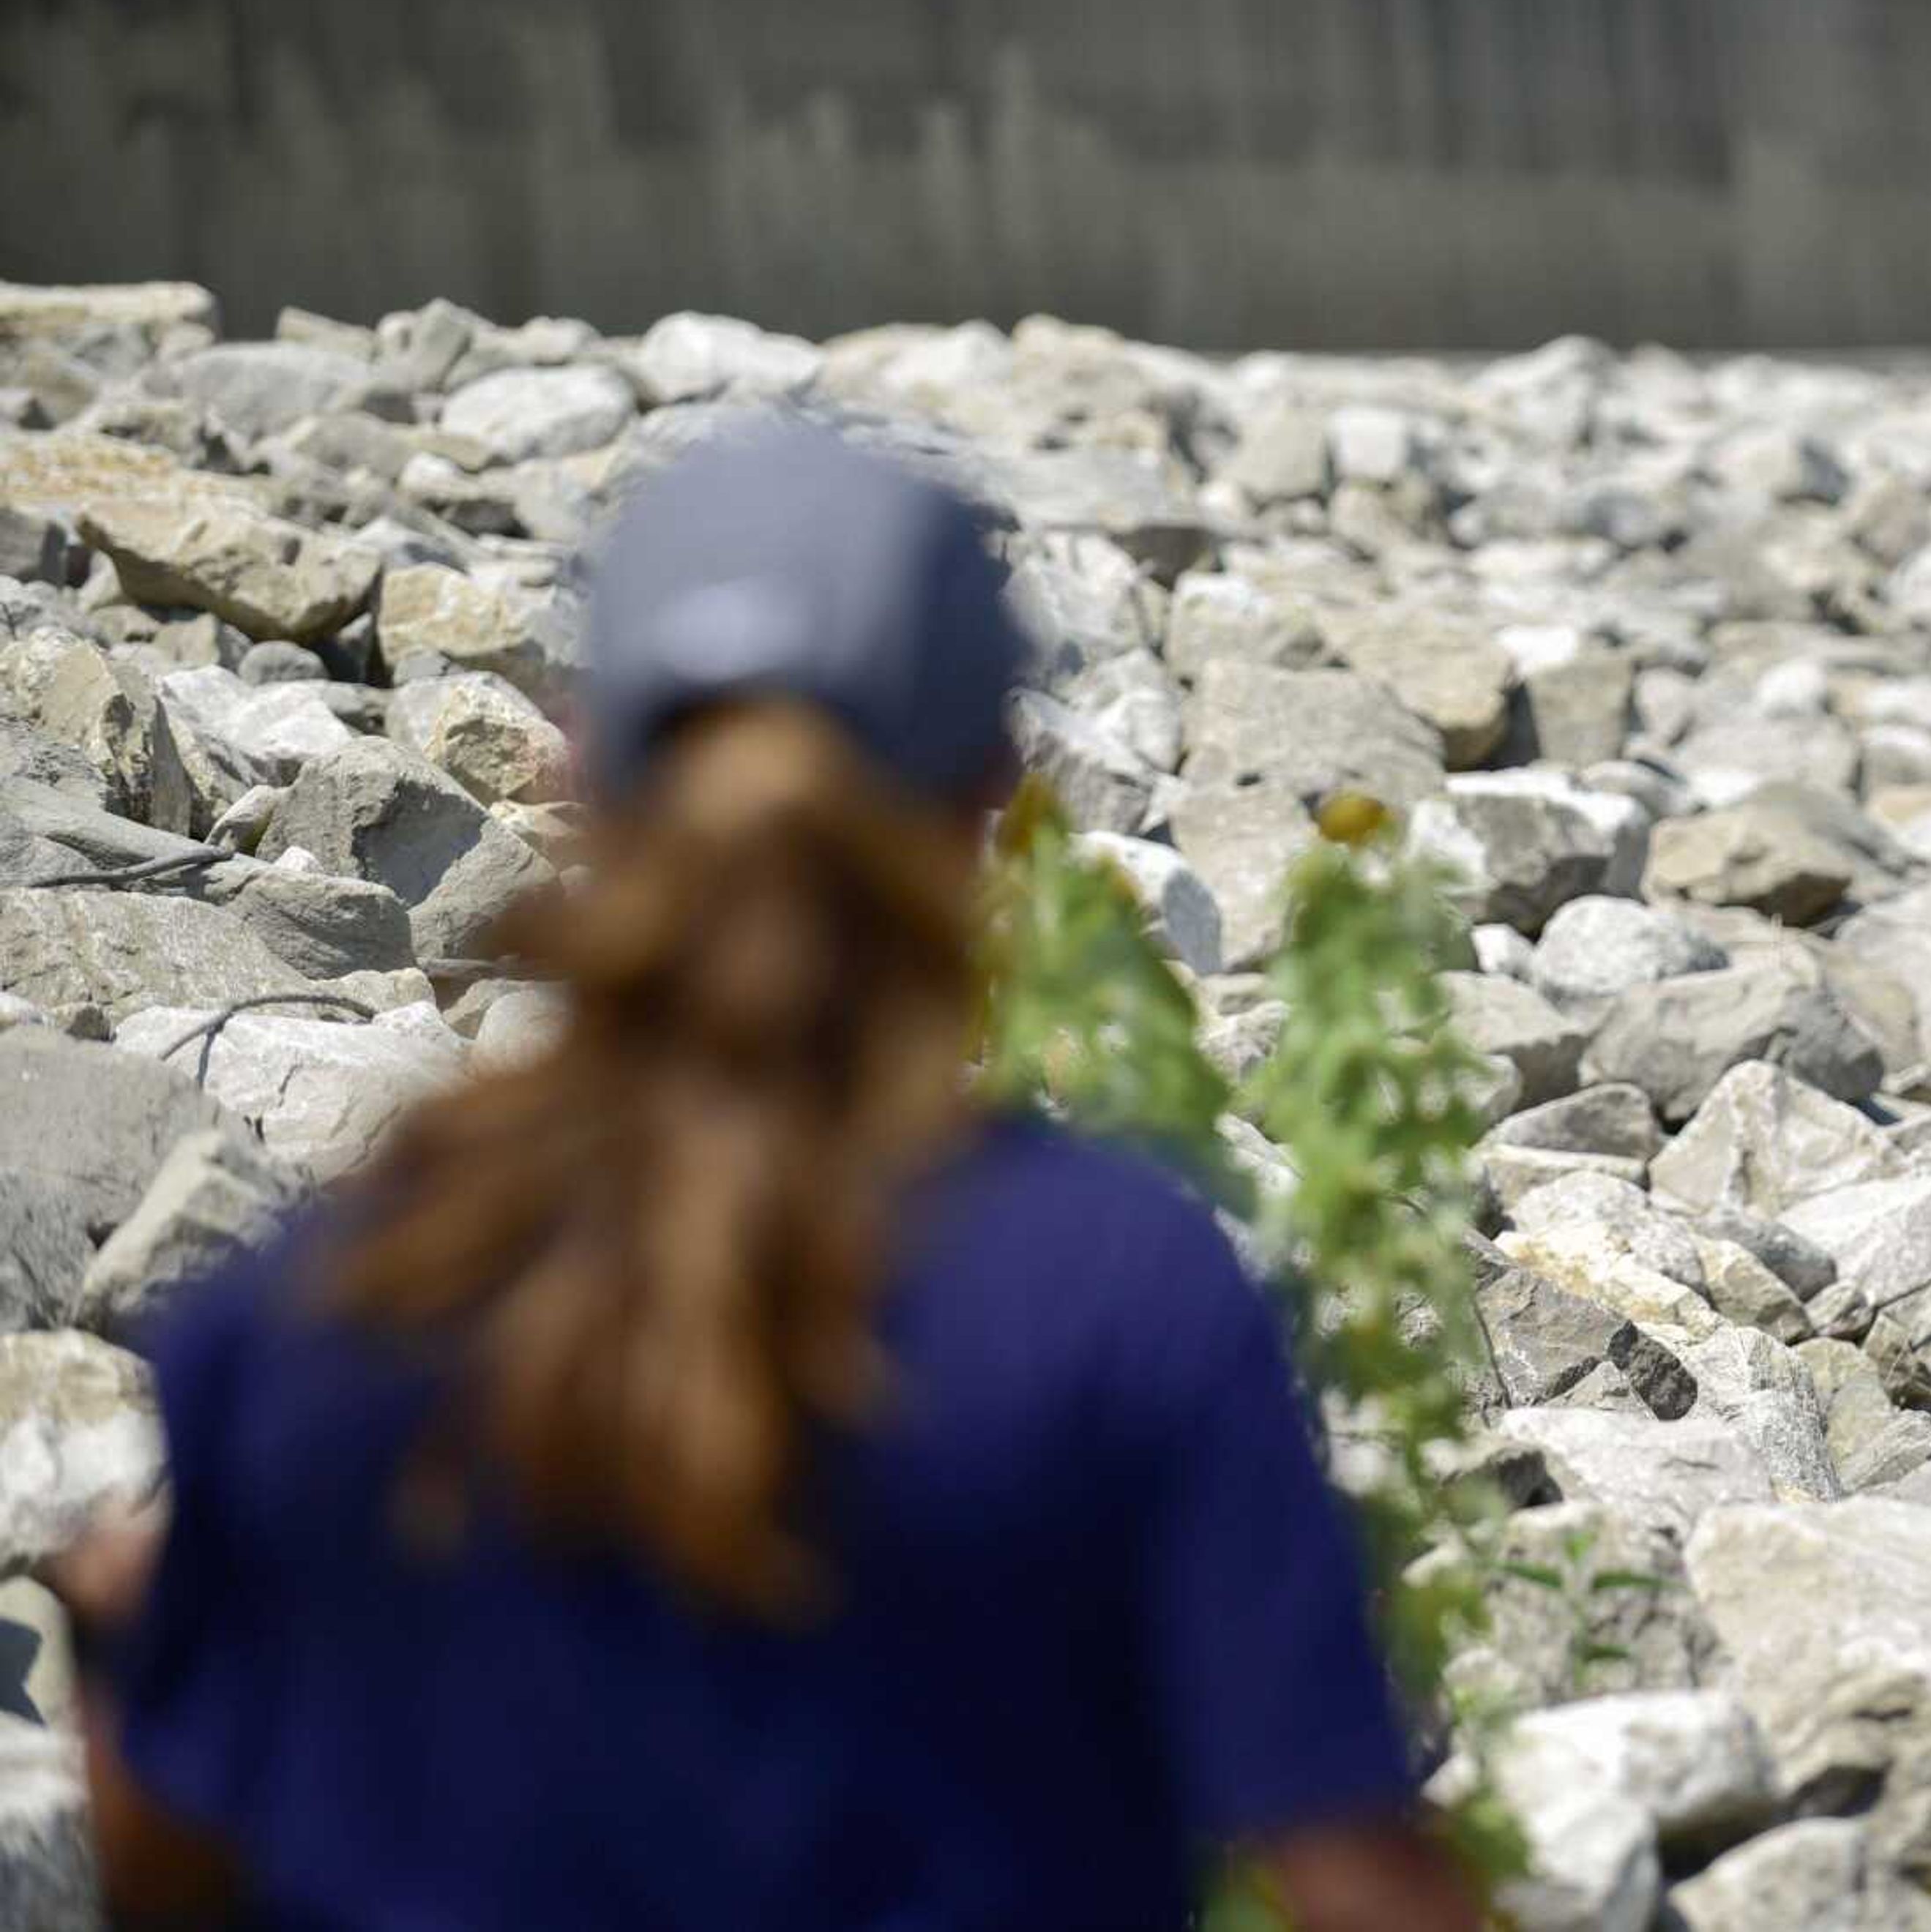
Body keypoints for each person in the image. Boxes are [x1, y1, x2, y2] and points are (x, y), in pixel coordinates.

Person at [51, 424, 1482, 1931]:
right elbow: (1358, 1884)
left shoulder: (317, 1309)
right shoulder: (1128, 1303)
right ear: (995, 792)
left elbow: (168, 1865)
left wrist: (137, 1647)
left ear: (575, 767)